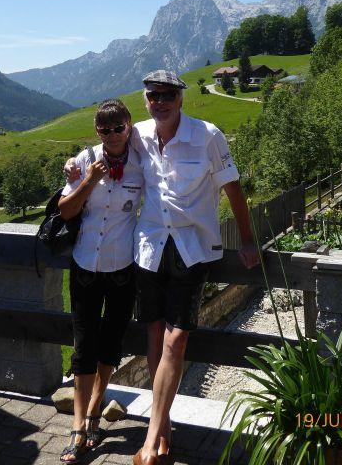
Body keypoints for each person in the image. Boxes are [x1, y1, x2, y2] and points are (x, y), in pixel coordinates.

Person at [66, 71, 259, 465]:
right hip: (150, 247)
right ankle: (164, 428)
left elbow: (233, 187)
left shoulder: (208, 135)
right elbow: (107, 142)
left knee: (176, 341)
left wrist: (248, 240)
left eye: (168, 94)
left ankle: (151, 441)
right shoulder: (138, 133)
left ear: (181, 98)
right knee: (154, 336)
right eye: (154, 96)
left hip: (192, 247)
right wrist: (74, 164)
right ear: (146, 100)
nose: (161, 102)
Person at [58, 99, 143, 463]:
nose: (112, 135)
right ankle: (79, 425)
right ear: (97, 131)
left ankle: (95, 408)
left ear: (129, 126)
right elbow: (66, 211)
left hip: (122, 268)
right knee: (84, 344)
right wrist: (89, 179)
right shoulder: (84, 160)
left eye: (119, 127)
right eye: (105, 129)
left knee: (111, 342)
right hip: (85, 267)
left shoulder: (142, 162)